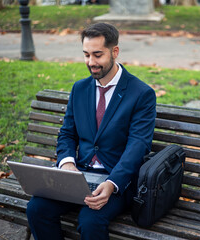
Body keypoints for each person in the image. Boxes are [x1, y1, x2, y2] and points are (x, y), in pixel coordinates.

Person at [26, 22, 156, 240]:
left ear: (115, 51)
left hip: (116, 181)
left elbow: (138, 146)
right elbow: (67, 133)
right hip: (79, 176)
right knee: (37, 209)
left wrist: (112, 184)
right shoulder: (80, 88)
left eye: (97, 55)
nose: (91, 62)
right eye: (86, 55)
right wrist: (67, 163)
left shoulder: (141, 93)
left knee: (90, 220)